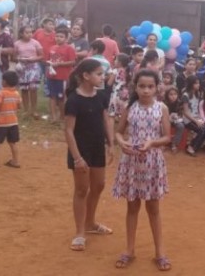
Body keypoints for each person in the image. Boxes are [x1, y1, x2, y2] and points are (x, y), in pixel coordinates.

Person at [112, 69, 171, 271]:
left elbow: (167, 137)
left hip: (153, 163)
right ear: (135, 87)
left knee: (153, 209)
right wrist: (122, 143)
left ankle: (160, 252)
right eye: (142, 86)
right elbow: (118, 133)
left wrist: (152, 142)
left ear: (156, 88)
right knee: (132, 208)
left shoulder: (161, 108)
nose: (146, 90)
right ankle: (129, 250)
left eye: (150, 86)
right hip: (131, 162)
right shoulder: (129, 108)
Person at [64, 59, 114, 252]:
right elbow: (68, 131)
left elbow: (106, 120)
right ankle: (79, 233)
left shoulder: (101, 96)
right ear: (86, 76)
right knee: (81, 190)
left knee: (99, 185)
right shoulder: (73, 100)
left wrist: (110, 143)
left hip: (97, 148)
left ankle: (91, 223)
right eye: (99, 74)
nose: (103, 77)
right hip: (80, 150)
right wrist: (77, 157)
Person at [0, 71, 22, 168]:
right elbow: (19, 106)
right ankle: (15, 161)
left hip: (2, 122)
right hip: (13, 122)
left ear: (5, 82)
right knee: (13, 142)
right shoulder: (16, 93)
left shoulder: (1, 93)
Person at [47, 27, 77, 124]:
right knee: (52, 96)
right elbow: (48, 60)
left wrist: (59, 64)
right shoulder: (52, 48)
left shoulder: (69, 48)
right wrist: (50, 64)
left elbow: (72, 62)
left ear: (66, 38)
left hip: (62, 77)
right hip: (51, 76)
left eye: (61, 36)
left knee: (61, 97)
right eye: (57, 36)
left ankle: (62, 116)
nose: (58, 38)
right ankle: (53, 117)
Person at [14, 25, 43, 119]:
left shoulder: (36, 43)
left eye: (31, 32)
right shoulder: (17, 43)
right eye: (27, 32)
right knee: (24, 89)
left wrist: (34, 58)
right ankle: (26, 110)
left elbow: (41, 56)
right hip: (22, 68)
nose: (29, 34)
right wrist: (19, 59)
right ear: (21, 34)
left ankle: (34, 110)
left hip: (33, 67)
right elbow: (13, 57)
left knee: (33, 88)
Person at [164, 87, 184, 153]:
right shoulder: (164, 103)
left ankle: (174, 144)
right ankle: (162, 143)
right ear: (167, 95)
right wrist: (168, 118)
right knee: (161, 125)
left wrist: (176, 116)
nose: (173, 96)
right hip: (165, 120)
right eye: (171, 94)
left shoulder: (179, 102)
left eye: (175, 94)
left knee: (181, 126)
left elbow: (180, 114)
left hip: (175, 120)